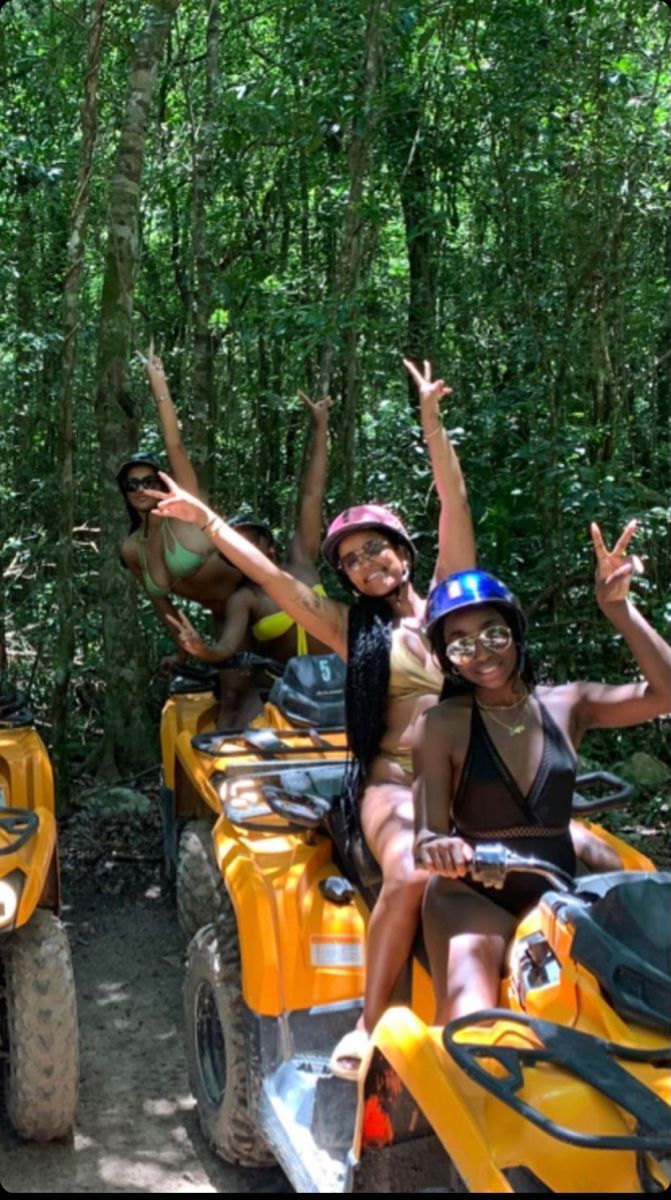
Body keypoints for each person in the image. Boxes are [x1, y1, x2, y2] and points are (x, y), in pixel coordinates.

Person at [145, 359, 477, 1075]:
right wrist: (206, 523)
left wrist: (431, 422)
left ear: (404, 551)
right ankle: (368, 1022)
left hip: (478, 781)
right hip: (394, 786)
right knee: (414, 874)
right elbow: (269, 579)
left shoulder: (457, 603)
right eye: (353, 560)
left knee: (587, 857)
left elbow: (454, 503)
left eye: (377, 548)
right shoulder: (344, 626)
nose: (368, 564)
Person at [415, 522, 671, 1025]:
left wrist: (619, 608)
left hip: (559, 888)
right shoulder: (440, 723)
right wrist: (436, 847)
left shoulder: (567, 704)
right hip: (471, 897)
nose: (481, 653)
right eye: (461, 645)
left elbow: (664, 694)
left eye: (492, 633)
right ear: (447, 660)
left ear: (514, 632)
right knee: (473, 1027)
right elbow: (425, 833)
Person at [166, 392, 335, 724]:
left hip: (338, 686)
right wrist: (202, 650)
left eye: (251, 543)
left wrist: (320, 427)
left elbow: (312, 493)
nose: (242, 552)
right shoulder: (244, 598)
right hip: (285, 692)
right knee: (241, 738)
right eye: (233, 547)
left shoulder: (301, 561)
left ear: (269, 546)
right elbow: (227, 648)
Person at [117, 345, 246, 720]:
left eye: (148, 480)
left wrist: (158, 382)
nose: (141, 488)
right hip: (222, 616)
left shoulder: (185, 510)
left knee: (250, 694)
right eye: (132, 484)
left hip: (251, 600)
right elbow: (163, 606)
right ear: (124, 493)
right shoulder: (131, 548)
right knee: (230, 701)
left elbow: (174, 445)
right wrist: (183, 649)